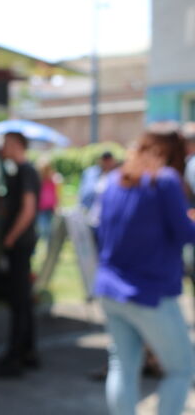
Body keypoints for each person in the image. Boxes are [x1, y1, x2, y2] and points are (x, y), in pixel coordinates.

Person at [95, 126, 195, 415]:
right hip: (149, 292)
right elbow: (185, 233)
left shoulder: (115, 179)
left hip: (111, 287)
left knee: (123, 365)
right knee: (182, 368)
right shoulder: (164, 180)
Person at [0, 132, 41, 378]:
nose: (1, 148)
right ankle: (28, 352)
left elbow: (28, 209)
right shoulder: (20, 171)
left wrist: (11, 237)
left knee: (19, 300)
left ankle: (14, 357)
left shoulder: (26, 171)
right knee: (23, 300)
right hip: (22, 242)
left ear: (16, 145)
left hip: (21, 243)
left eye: (5, 144)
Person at [37, 159, 59, 242]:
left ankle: (48, 242)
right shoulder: (39, 181)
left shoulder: (52, 181)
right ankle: (44, 241)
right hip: (41, 208)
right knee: (43, 227)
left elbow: (56, 194)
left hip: (50, 208)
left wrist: (56, 205)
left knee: (50, 228)